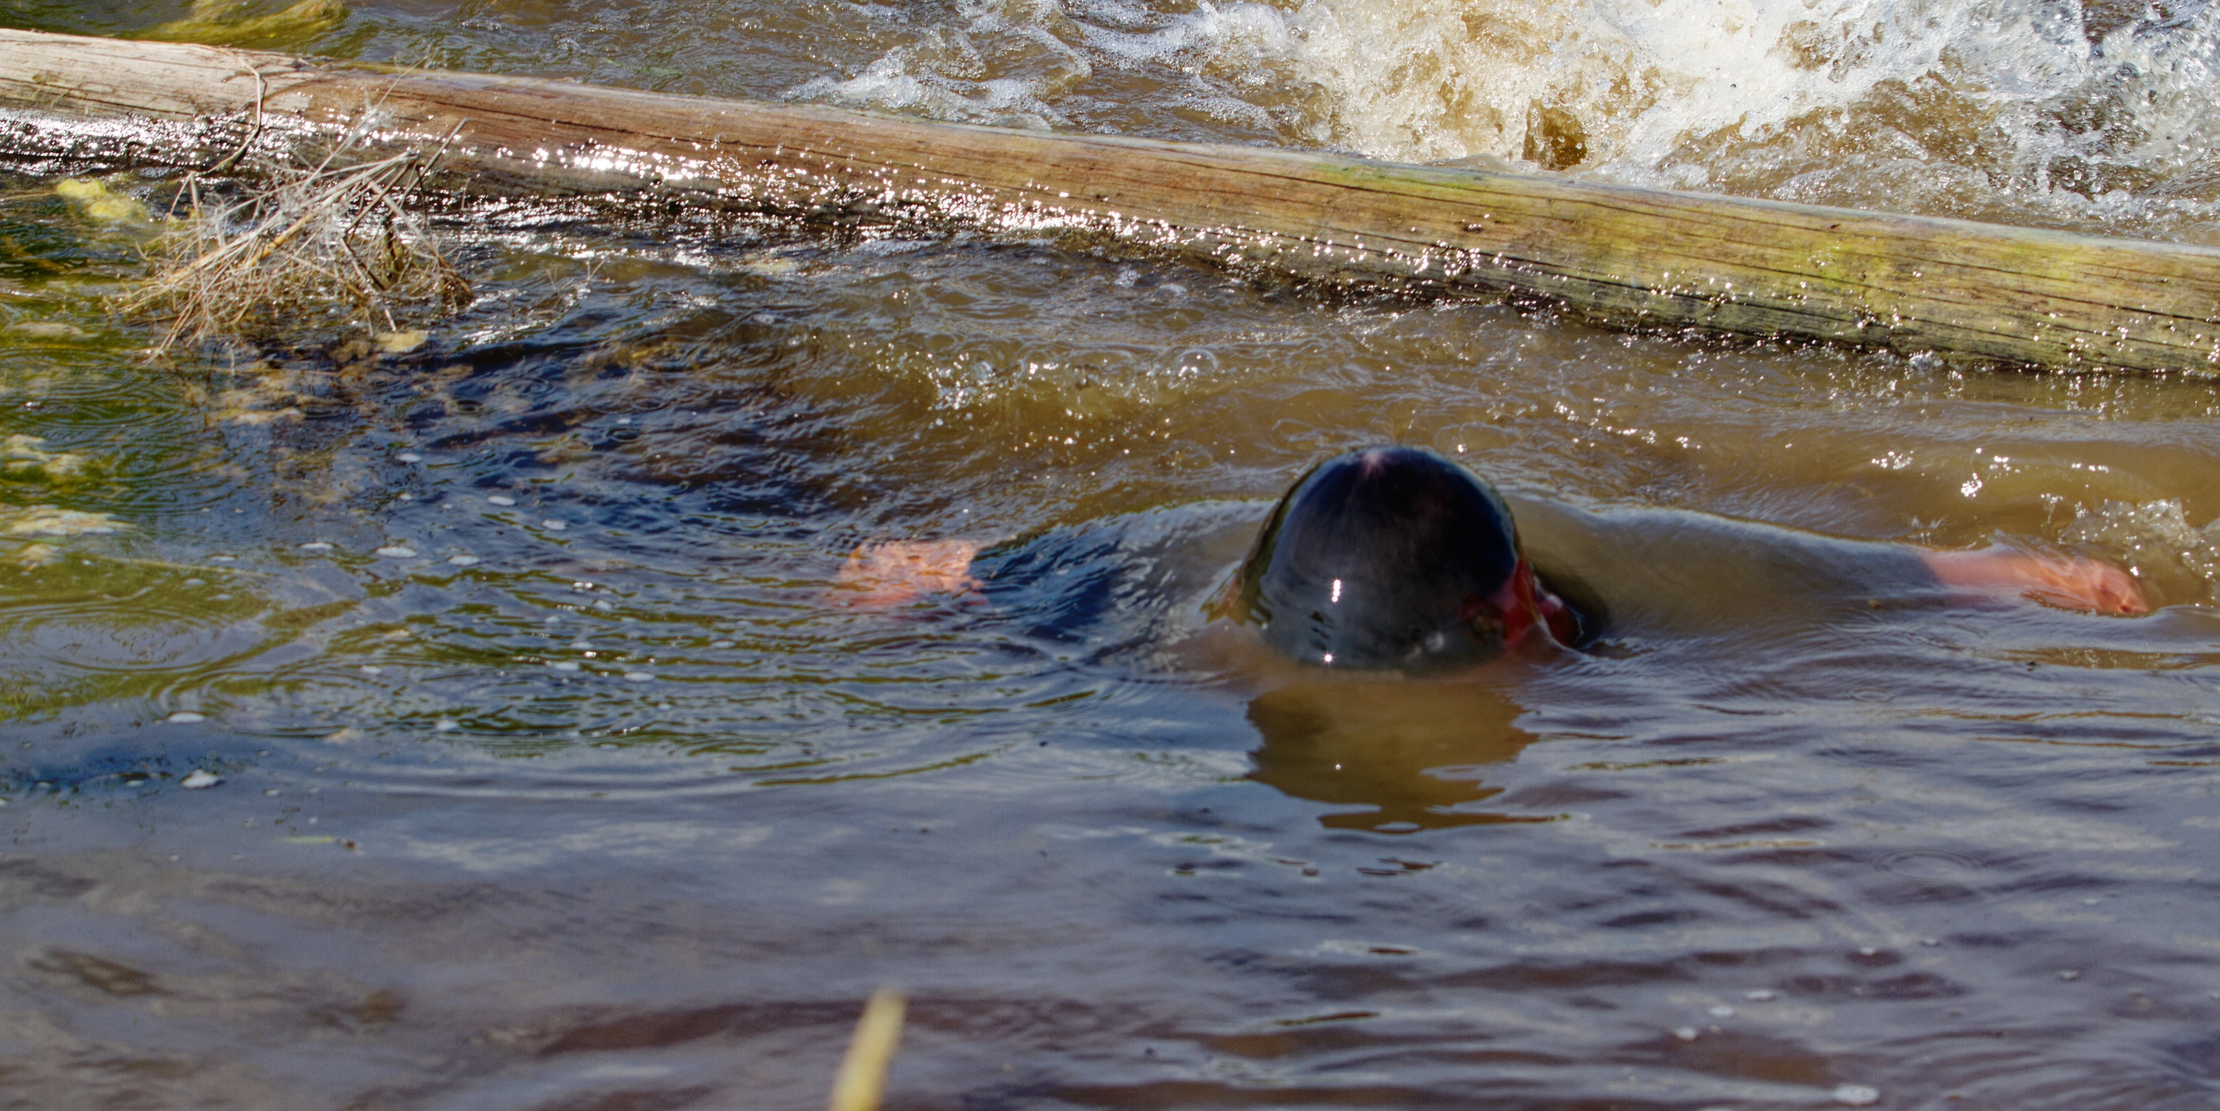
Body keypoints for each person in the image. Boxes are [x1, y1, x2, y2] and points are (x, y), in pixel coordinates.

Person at [832, 444, 2152, 670]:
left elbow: (1800, 572)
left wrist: (2012, 571)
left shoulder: (1619, 573)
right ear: (1513, 606)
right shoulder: (1180, 598)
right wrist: (948, 570)